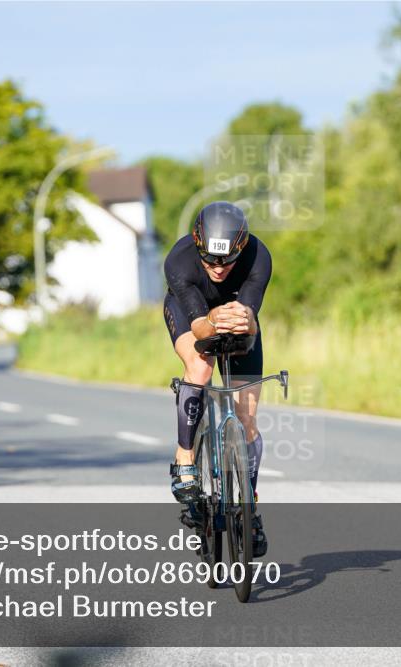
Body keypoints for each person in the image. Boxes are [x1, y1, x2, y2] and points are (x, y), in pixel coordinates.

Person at [163, 201, 272, 556]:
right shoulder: (179, 261)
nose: (219, 268)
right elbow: (198, 327)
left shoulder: (258, 257)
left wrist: (245, 320)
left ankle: (249, 505)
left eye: (228, 260)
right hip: (192, 314)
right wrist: (213, 321)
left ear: (241, 249)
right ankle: (185, 459)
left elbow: (251, 317)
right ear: (198, 246)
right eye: (210, 260)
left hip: (239, 318)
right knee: (201, 366)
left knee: (247, 418)